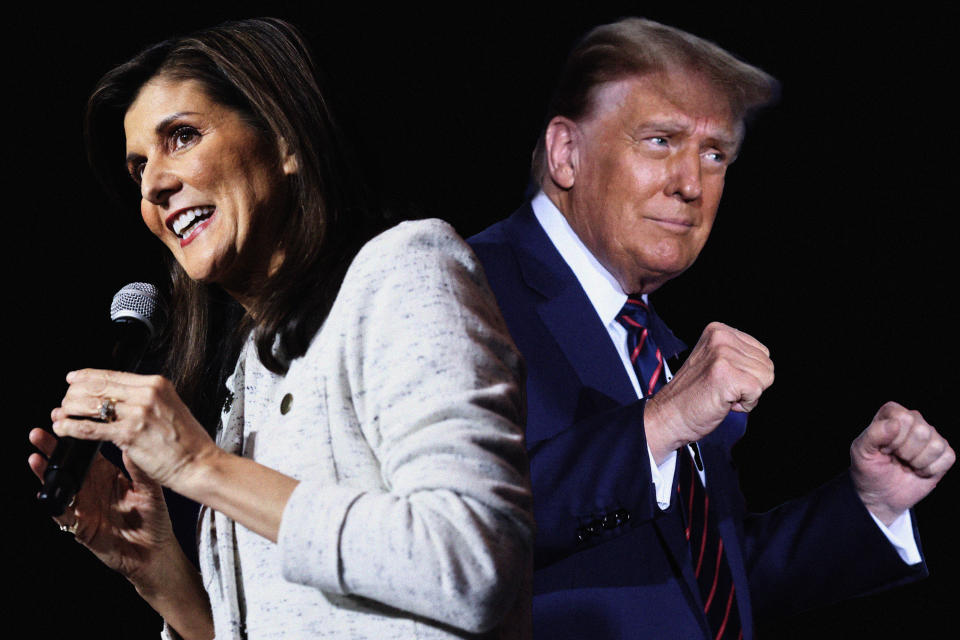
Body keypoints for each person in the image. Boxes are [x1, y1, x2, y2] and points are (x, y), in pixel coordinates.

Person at [28, 18, 533, 640]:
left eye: (181, 137)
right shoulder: (254, 368)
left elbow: (475, 565)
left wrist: (199, 466)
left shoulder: (404, 269)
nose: (154, 184)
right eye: (138, 169)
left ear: (287, 141)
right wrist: (156, 571)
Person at [468, 17, 954, 640]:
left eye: (715, 152)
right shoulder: (456, 286)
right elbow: (446, 525)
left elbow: (703, 586)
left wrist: (871, 506)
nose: (691, 184)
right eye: (660, 140)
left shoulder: (653, 342)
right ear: (566, 153)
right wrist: (661, 423)